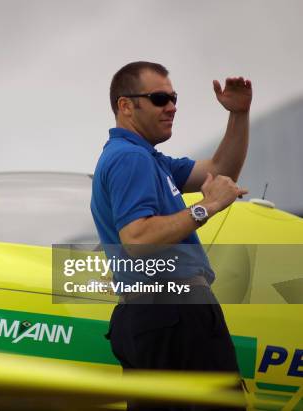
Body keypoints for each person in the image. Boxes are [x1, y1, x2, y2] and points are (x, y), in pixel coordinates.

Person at [90, 61, 252, 410]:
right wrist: (205, 208)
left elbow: (220, 171)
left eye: (174, 98)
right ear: (126, 105)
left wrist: (238, 115)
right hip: (175, 310)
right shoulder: (130, 159)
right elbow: (138, 239)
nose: (172, 107)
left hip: (152, 314)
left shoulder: (149, 159)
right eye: (160, 98)